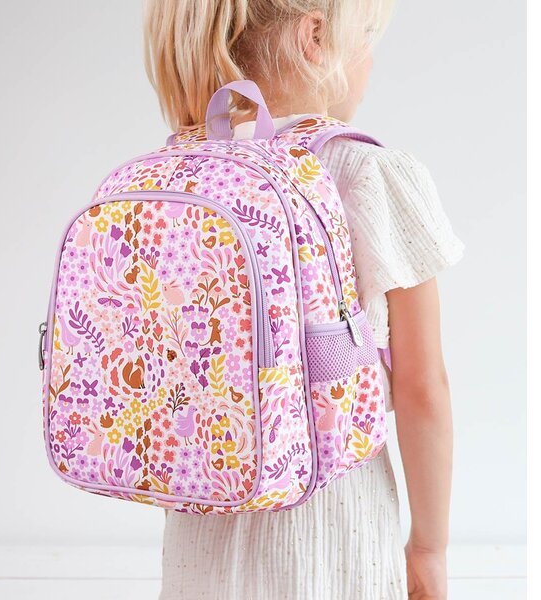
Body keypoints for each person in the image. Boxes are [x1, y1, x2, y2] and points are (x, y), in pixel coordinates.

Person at [143, 1, 465, 598]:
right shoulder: (369, 173)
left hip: (201, 524)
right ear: (315, 37)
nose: (372, 58)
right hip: (333, 529)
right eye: (366, 35)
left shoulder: (185, 178)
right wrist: (429, 548)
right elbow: (424, 389)